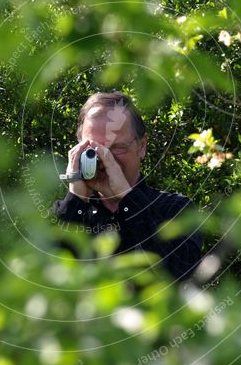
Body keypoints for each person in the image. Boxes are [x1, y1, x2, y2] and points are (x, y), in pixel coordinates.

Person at [51, 92, 203, 281]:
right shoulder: (66, 213)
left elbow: (180, 274)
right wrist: (76, 198)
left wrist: (127, 197)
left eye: (117, 148)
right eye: (93, 150)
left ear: (142, 146)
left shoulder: (175, 210)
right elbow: (43, 280)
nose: (105, 158)